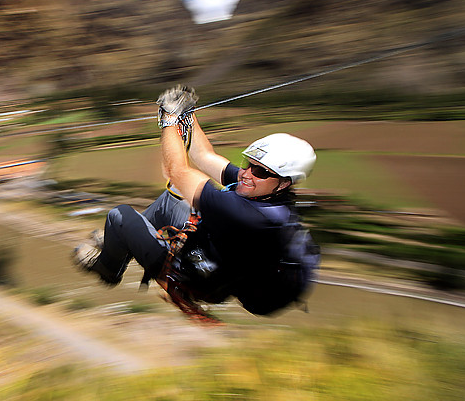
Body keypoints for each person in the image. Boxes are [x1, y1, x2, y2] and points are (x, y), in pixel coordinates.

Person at [73, 85, 319, 318]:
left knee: (119, 217)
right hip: (211, 254)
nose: (246, 174)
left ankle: (108, 269)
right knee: (169, 201)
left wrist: (169, 120)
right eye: (248, 164)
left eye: (260, 171)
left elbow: (176, 172)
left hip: (196, 276)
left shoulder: (254, 217)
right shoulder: (262, 189)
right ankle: (120, 243)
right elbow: (204, 156)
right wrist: (188, 115)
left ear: (284, 183)